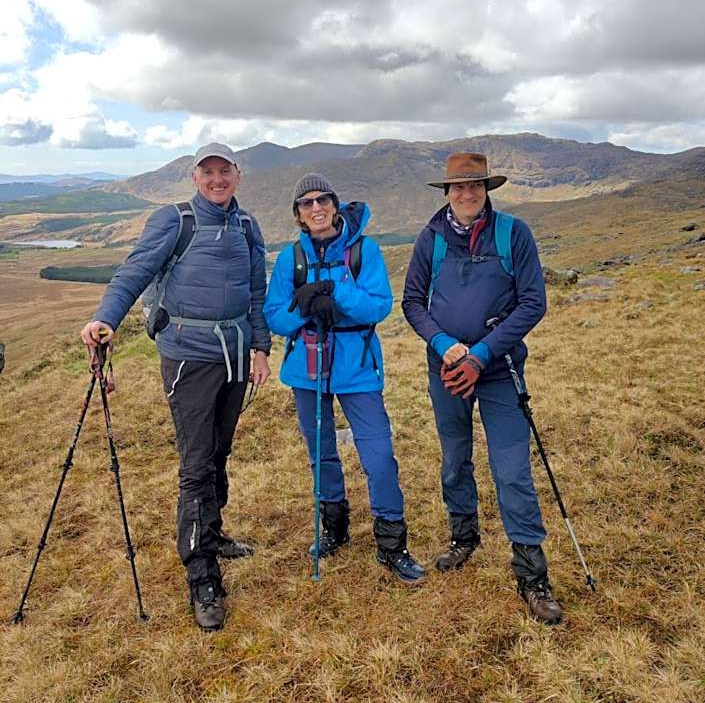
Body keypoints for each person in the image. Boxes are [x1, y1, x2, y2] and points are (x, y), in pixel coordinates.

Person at [80, 142, 271, 631]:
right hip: (188, 358)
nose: (216, 179)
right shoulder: (175, 220)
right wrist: (106, 318)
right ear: (195, 177)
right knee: (195, 463)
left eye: (224, 171)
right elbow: (136, 270)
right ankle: (201, 574)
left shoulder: (247, 226)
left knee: (219, 452)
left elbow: (256, 292)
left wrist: (261, 348)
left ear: (237, 174)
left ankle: (212, 532)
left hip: (234, 354)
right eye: (208, 172)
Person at [402, 152, 562, 624]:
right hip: (446, 369)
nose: (467, 194)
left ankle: (532, 576)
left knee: (511, 468)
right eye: (459, 187)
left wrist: (483, 354)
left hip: (499, 369)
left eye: (476, 185)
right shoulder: (430, 238)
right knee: (455, 457)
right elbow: (412, 301)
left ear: (487, 188)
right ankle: (463, 536)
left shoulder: (514, 233)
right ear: (447, 192)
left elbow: (533, 302)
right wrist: (445, 344)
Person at [263, 174, 425, 584]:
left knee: (379, 456)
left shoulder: (363, 251)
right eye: (306, 203)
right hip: (308, 368)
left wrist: (333, 291)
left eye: (322, 200)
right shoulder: (290, 259)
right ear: (298, 214)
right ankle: (334, 527)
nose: (316, 208)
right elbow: (275, 316)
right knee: (322, 452)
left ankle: (392, 544)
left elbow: (378, 307)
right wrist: (305, 307)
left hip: (357, 369)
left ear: (335, 205)